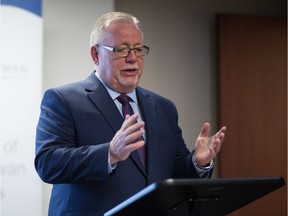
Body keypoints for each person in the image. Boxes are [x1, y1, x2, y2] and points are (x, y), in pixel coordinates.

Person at [35, 11, 226, 216]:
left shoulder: (163, 107)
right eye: (121, 50)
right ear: (95, 54)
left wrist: (198, 162)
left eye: (138, 49)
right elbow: (48, 163)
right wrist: (109, 153)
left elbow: (175, 171)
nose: (132, 58)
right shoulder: (63, 100)